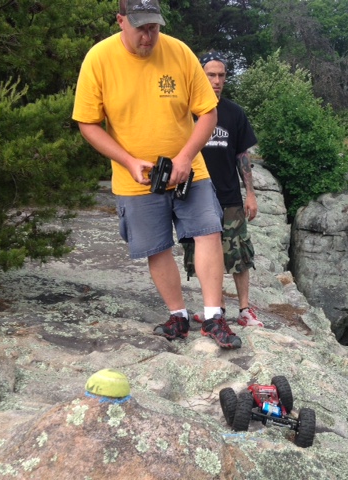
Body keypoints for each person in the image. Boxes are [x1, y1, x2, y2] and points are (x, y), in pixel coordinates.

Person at [72, 0, 241, 349]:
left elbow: (207, 114)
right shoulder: (99, 59)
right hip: (136, 177)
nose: (149, 36)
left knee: (209, 231)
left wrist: (185, 156)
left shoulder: (179, 53)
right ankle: (178, 315)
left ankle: (214, 317)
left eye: (154, 27)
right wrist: (129, 161)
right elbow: (87, 123)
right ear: (121, 21)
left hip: (189, 169)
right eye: (140, 28)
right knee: (156, 247)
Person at [183, 51, 263, 328]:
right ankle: (213, 308)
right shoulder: (186, 110)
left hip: (228, 197)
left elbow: (242, 155)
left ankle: (244, 310)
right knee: (202, 254)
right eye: (211, 75)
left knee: (239, 254)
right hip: (194, 195)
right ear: (200, 76)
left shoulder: (233, 112)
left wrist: (250, 193)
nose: (217, 81)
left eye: (221, 75)